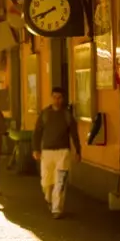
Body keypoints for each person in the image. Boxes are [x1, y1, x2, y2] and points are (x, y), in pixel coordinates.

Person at [32, 86, 81, 218]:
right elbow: (37, 132)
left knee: (60, 181)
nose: (57, 100)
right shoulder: (45, 114)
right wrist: (36, 148)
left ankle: (57, 209)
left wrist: (78, 150)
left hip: (63, 152)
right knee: (46, 182)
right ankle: (49, 199)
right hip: (47, 152)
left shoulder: (67, 115)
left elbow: (74, 134)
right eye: (54, 97)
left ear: (63, 99)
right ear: (51, 97)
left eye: (59, 98)